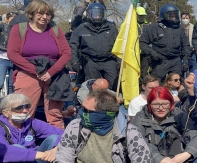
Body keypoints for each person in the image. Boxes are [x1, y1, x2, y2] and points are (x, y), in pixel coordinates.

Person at [53, 89, 155, 163]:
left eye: (86, 110)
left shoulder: (130, 133)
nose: (81, 113)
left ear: (102, 115)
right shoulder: (75, 127)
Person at [7, 0, 73, 129]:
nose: (44, 17)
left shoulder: (56, 30)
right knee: (23, 113)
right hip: (28, 73)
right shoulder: (18, 29)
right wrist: (38, 72)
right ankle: (21, 144)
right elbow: (13, 54)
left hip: (54, 76)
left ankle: (58, 146)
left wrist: (50, 73)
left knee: (55, 116)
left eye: (48, 14)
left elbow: (66, 54)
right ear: (31, 14)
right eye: (40, 13)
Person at [132, 86, 197, 163]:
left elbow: (196, 136)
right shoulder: (140, 118)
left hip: (177, 156)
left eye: (165, 104)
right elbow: (139, 143)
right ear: (149, 104)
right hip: (153, 160)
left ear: (170, 104)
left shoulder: (178, 115)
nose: (160, 108)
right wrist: (158, 159)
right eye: (156, 104)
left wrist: (186, 154)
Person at [0, 93, 64, 163]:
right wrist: (40, 155)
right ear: (5, 113)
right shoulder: (1, 126)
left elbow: (64, 134)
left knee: (54, 138)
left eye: (27, 106)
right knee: (17, 148)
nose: (25, 110)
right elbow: (4, 151)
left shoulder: (32, 123)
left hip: (37, 161)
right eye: (19, 108)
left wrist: (54, 149)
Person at [69, 3, 119, 91]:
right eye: (95, 14)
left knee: (113, 85)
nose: (97, 16)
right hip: (90, 61)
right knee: (93, 86)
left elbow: (120, 45)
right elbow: (73, 45)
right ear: (89, 14)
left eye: (100, 14)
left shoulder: (112, 28)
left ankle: (111, 103)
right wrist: (74, 62)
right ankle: (94, 103)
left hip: (109, 60)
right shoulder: (81, 28)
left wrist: (119, 61)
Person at [139, 4, 191, 82]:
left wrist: (185, 61)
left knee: (177, 84)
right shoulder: (154, 28)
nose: (174, 17)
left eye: (175, 15)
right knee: (156, 84)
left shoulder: (179, 28)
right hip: (160, 61)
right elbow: (142, 43)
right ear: (165, 16)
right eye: (172, 15)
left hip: (175, 60)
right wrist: (152, 53)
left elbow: (185, 46)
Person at [0, 12, 17, 95]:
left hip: (14, 60)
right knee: (0, 82)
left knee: (11, 84)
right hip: (3, 58)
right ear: (7, 19)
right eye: (11, 18)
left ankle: (10, 104)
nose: (13, 20)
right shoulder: (2, 27)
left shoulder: (18, 29)